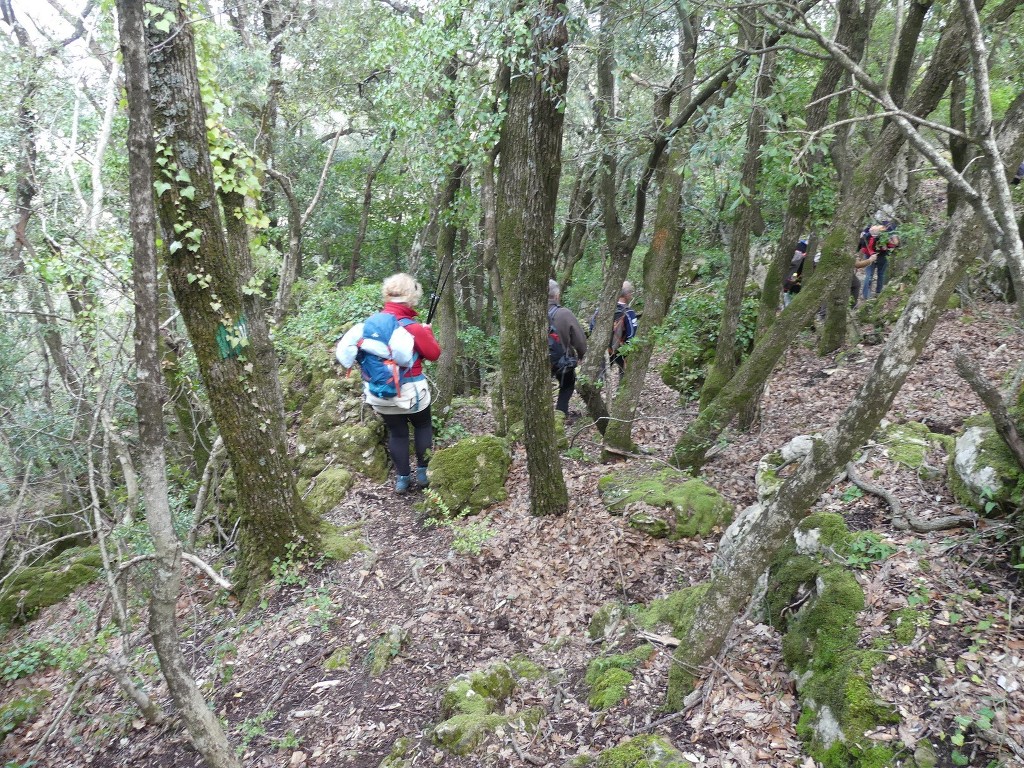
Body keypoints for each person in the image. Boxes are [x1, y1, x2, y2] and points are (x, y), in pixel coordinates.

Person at [363, 273, 441, 494]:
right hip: (411, 391)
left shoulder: (372, 324)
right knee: (422, 425)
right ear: (411, 297)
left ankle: (402, 479)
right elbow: (433, 354)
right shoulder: (413, 327)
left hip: (381, 393)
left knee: (396, 433)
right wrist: (428, 333)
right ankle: (423, 473)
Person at [548, 279, 587, 416]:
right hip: (561, 362)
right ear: (557, 295)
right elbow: (580, 340)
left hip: (535, 362)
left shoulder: (531, 313)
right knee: (568, 385)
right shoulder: (564, 314)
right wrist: (582, 355)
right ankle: (560, 414)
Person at [859, 222, 900, 300]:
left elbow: (864, 244)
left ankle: (866, 296)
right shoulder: (890, 230)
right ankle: (878, 293)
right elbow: (894, 244)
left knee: (869, 274)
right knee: (881, 274)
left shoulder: (870, 229)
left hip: (869, 254)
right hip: (882, 255)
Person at [782, 239, 809, 307]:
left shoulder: (800, 248)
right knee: (788, 283)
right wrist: (802, 255)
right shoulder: (798, 249)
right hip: (791, 272)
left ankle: (787, 293)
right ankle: (786, 295)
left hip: (795, 273)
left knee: (791, 281)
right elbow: (793, 261)